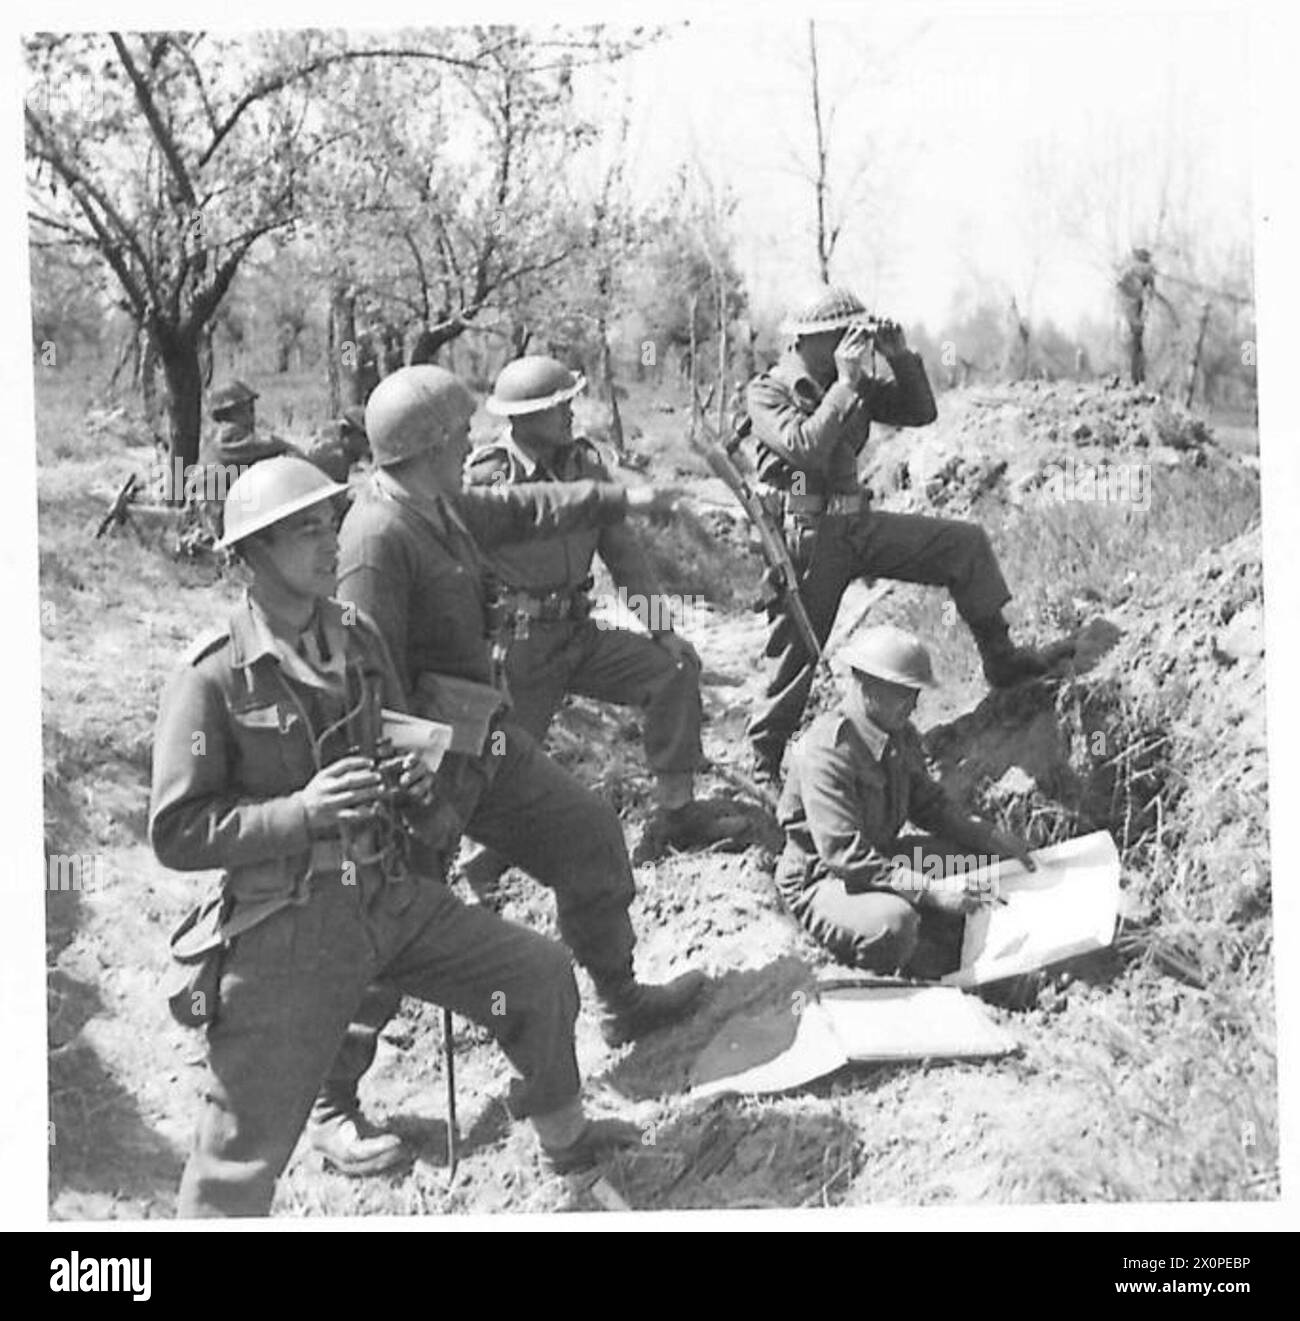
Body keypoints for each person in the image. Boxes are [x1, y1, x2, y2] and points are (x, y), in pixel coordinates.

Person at [149, 456, 640, 1217]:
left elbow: (392, 733)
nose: (327, 542)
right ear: (252, 554)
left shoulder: (359, 636)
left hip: (390, 891)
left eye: (327, 524)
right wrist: (303, 811)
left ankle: (566, 1139)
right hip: (289, 928)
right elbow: (178, 831)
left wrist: (413, 780)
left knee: (539, 975)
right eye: (304, 530)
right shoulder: (214, 676)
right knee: (236, 1158)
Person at [307, 365, 708, 1175]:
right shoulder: (376, 540)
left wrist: (619, 498)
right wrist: (405, 790)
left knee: (589, 834)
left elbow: (528, 508)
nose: (469, 441)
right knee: (392, 923)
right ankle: (330, 1100)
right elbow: (362, 686)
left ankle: (619, 996)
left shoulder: (442, 503)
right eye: (458, 432)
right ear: (427, 446)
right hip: (416, 769)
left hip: (480, 737)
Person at [743, 284, 1054, 785]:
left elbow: (919, 413)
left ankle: (1002, 659)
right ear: (805, 341)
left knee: (963, 545)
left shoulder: (852, 381)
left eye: (856, 334)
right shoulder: (769, 390)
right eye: (839, 335)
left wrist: (900, 357)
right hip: (808, 536)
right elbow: (805, 450)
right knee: (797, 656)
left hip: (857, 525)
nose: (850, 343)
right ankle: (763, 760)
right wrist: (845, 385)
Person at [460, 354, 748, 892]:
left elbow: (624, 557)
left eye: (569, 402)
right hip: (518, 645)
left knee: (673, 670)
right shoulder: (488, 477)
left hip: (577, 629)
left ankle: (676, 814)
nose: (570, 412)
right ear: (521, 418)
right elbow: (460, 567)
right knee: (502, 754)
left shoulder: (586, 463)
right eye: (557, 406)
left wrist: (662, 628)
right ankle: (486, 867)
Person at [775, 625, 1040, 989]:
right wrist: (931, 891)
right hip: (824, 880)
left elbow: (930, 807)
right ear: (866, 684)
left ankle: (968, 948)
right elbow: (844, 856)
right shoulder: (826, 752)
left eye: (914, 693)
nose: (912, 704)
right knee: (894, 925)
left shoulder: (899, 736)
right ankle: (888, 978)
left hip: (884, 860)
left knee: (981, 868)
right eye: (902, 693)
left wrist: (992, 837)